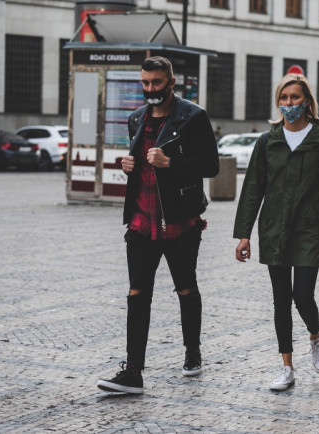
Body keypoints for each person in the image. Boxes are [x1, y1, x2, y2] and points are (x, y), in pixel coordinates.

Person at [97, 56, 219, 394]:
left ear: (171, 81)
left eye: (156, 83)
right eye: (145, 83)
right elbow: (140, 168)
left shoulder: (193, 117)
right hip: (140, 222)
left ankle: (192, 352)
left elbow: (211, 166)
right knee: (137, 295)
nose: (150, 89)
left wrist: (171, 163)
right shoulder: (136, 118)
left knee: (185, 289)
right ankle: (133, 371)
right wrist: (128, 166)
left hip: (179, 223)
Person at [233, 74, 319, 391]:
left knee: (302, 294)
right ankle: (287, 367)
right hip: (274, 229)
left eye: (295, 98)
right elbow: (253, 188)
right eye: (284, 99)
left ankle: (314, 335)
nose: (289, 104)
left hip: (310, 229)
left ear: (307, 100)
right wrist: (244, 234)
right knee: (281, 300)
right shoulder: (268, 141)